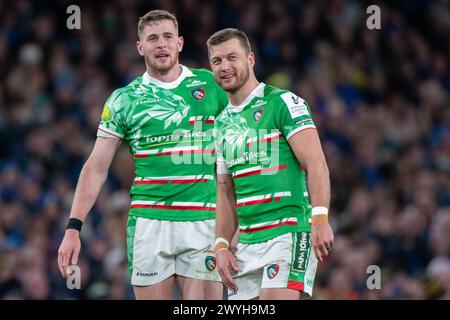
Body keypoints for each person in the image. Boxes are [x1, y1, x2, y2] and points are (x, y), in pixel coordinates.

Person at [57, 10, 228, 300]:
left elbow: (244, 141)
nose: (161, 44)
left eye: (167, 37)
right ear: (140, 47)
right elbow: (97, 166)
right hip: (150, 225)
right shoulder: (124, 99)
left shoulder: (212, 84)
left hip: (204, 221)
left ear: (180, 43)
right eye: (152, 39)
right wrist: (73, 227)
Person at [207, 28, 334, 300]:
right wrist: (219, 246)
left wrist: (320, 217)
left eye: (232, 57)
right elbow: (225, 190)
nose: (225, 66)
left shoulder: (283, 103)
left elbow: (317, 163)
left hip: (288, 233)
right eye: (217, 61)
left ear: (250, 59)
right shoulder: (220, 124)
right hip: (246, 245)